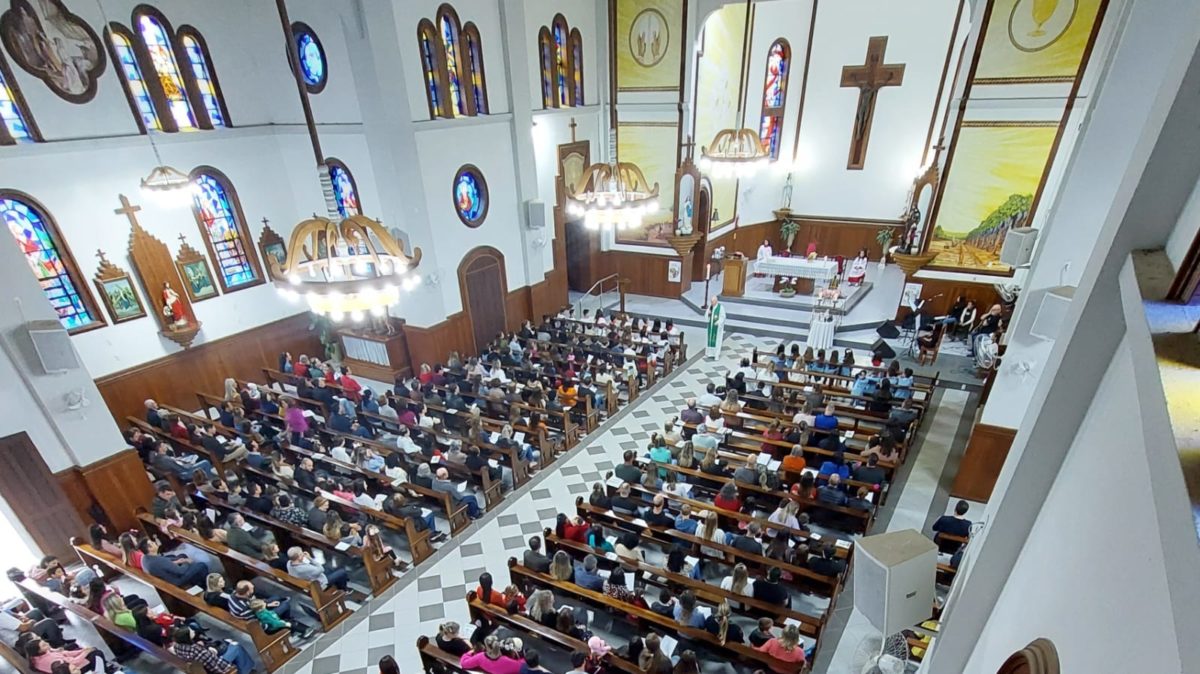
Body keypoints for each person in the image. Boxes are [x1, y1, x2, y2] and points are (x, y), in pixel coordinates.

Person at [171, 625, 253, 674]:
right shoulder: (198, 650)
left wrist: (209, 651)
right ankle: (246, 671)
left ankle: (244, 667)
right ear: (187, 637)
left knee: (229, 645)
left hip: (202, 667)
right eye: (191, 631)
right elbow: (216, 667)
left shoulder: (177, 646)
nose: (193, 631)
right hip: (217, 668)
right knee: (236, 646)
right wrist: (231, 668)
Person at [141, 538, 209, 588]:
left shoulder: (145, 558)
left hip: (166, 574)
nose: (154, 542)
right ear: (150, 549)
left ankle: (196, 580)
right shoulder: (159, 561)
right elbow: (180, 571)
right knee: (201, 565)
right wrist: (186, 562)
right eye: (152, 543)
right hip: (176, 580)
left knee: (182, 555)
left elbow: (165, 561)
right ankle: (205, 585)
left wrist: (179, 561)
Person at [705, 295, 725, 359]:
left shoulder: (720, 308)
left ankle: (716, 355)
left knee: (716, 341)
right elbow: (706, 315)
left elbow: (723, 317)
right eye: (711, 301)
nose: (712, 303)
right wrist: (708, 314)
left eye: (713, 302)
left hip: (717, 328)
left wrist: (718, 322)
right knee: (709, 340)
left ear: (716, 301)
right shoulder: (710, 307)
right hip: (710, 327)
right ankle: (709, 353)